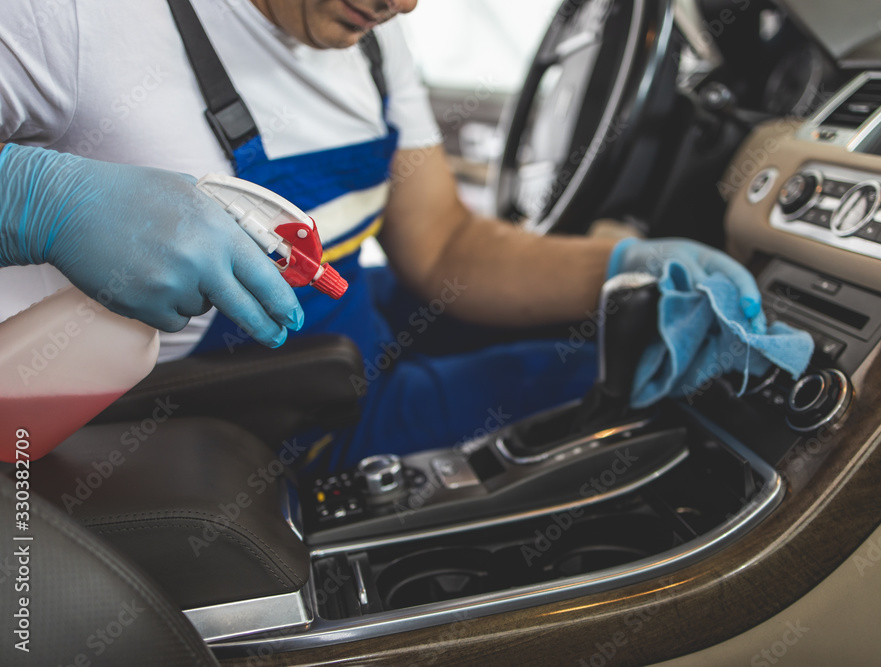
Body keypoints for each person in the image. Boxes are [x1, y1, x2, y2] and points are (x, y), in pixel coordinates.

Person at [0, 0, 763, 466]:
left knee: (620, 325)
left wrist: (627, 267)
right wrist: (40, 200)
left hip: (351, 316)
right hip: (254, 405)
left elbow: (443, 246)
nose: (404, 3)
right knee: (608, 380)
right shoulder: (72, 16)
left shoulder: (365, 35)